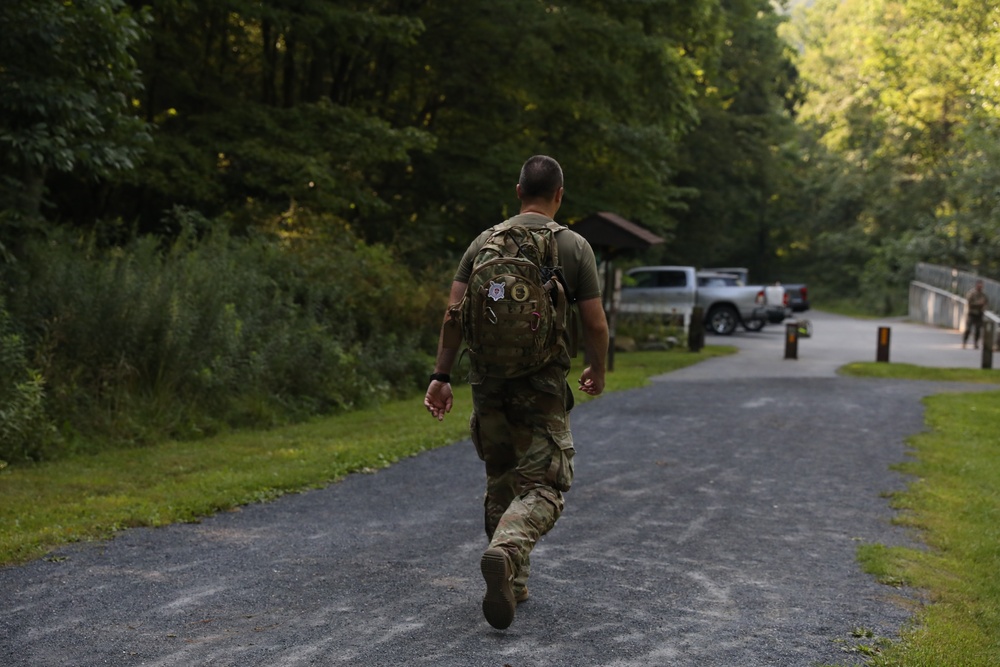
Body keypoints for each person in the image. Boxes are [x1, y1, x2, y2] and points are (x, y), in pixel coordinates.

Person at [424, 155, 609, 630]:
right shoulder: (572, 245)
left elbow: (453, 316)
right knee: (546, 483)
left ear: (518, 190)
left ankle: (516, 582)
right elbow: (594, 323)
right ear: (559, 195)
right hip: (541, 384)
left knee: (501, 476)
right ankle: (507, 553)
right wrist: (597, 368)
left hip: (488, 383)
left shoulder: (484, 242)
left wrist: (441, 377)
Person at [963, 280, 989, 349]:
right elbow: (969, 303)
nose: (980, 287)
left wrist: (983, 307)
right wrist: (978, 304)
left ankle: (976, 343)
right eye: (979, 285)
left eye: (981, 286)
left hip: (979, 314)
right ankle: (964, 342)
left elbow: (986, 303)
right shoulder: (972, 293)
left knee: (978, 330)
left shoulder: (983, 295)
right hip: (972, 313)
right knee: (968, 329)